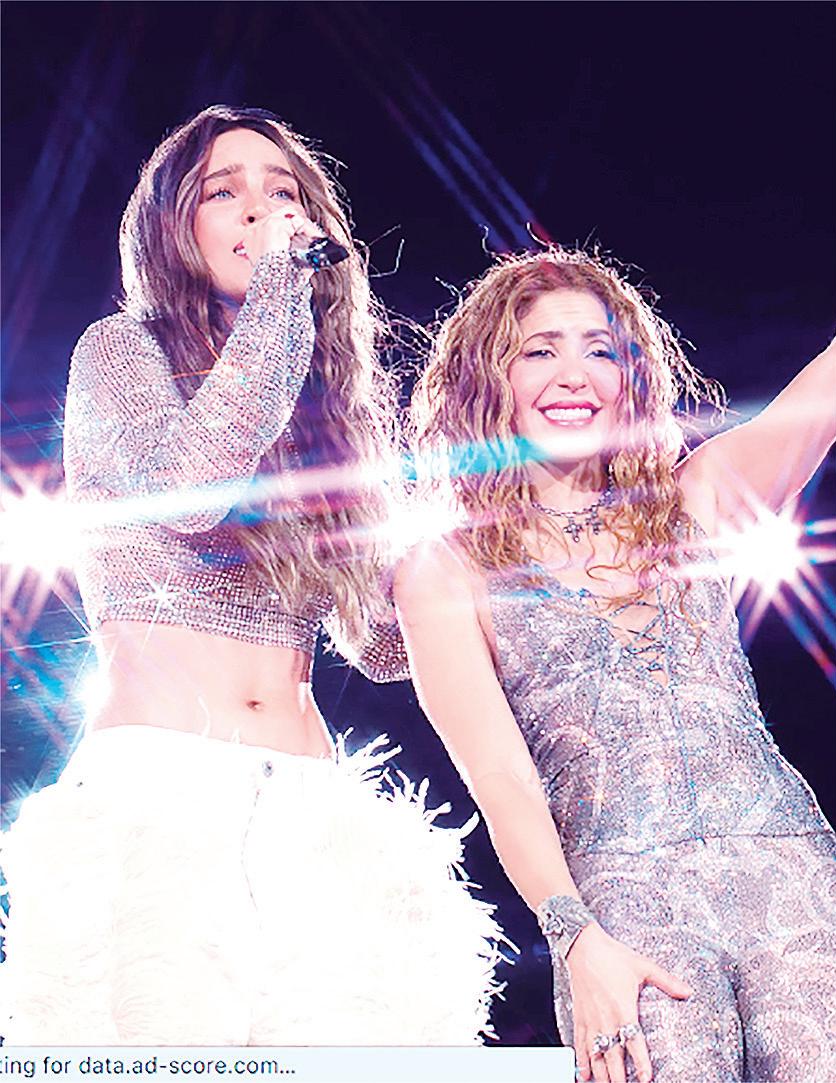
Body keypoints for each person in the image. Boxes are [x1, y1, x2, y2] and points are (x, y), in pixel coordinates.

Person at [0, 105, 500, 1046]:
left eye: (283, 192)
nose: (263, 211)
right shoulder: (120, 353)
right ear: (173, 226)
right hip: (163, 795)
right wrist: (279, 294)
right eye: (223, 193)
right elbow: (192, 489)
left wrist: (475, 535)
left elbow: (380, 647)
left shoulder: (325, 409)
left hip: (315, 807)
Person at [395, 247, 836, 1083]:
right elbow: (501, 777)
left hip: (792, 877)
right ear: (488, 378)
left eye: (600, 350)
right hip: (624, 910)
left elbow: (828, 389)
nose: (575, 374)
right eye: (539, 350)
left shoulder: (698, 497)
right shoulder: (444, 569)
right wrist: (575, 939)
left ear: (630, 377)